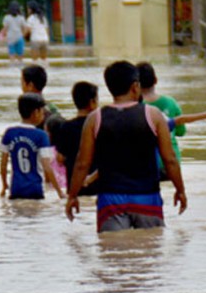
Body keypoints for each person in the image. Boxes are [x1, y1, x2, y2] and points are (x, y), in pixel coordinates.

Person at [65, 60, 187, 233]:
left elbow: (82, 163)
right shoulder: (153, 116)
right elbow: (170, 159)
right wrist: (180, 190)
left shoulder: (95, 118)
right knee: (150, 254)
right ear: (135, 86)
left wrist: (72, 195)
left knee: (113, 255)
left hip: (110, 200)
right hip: (147, 197)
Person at [0, 93, 64, 200]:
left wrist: (4, 185)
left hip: (16, 189)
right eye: (42, 111)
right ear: (36, 113)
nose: (43, 115)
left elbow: (3, 164)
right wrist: (59, 192)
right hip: (35, 189)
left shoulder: (9, 133)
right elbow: (47, 166)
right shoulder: (41, 135)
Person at [54, 81, 99, 196]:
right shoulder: (99, 126)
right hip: (97, 186)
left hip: (74, 186)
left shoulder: (65, 127)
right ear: (92, 102)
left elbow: (60, 158)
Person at [137, 61, 184, 163]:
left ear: (135, 85)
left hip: (145, 165)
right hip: (172, 162)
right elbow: (181, 131)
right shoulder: (171, 102)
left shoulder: (135, 107)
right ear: (156, 80)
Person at [21, 64, 57, 129]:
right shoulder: (52, 107)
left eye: (22, 83)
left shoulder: (33, 112)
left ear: (30, 85)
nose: (22, 87)